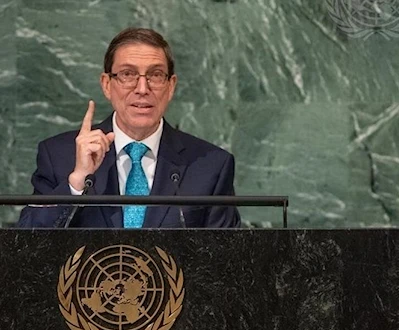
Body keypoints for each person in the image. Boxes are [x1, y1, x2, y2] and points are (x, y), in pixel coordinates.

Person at [17, 28, 240, 228]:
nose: (142, 88)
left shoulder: (211, 166)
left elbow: (227, 262)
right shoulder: (58, 155)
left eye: (155, 75)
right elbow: (25, 246)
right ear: (106, 84)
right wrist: (76, 182)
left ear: (171, 86)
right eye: (127, 74)